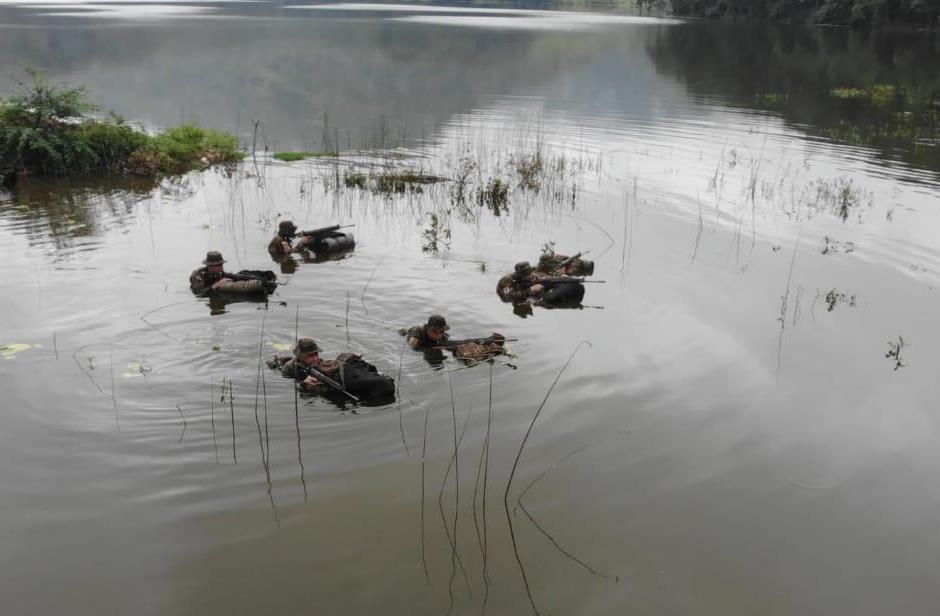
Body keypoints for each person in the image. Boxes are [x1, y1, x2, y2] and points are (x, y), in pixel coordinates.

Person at [268, 337, 359, 392]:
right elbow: (289, 384)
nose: (315, 358)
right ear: (301, 356)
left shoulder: (318, 361)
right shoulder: (289, 368)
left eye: (316, 354)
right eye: (310, 356)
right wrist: (302, 383)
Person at [189, 251, 272, 296]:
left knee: (243, 273)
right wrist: (216, 285)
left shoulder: (219, 273)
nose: (221, 266)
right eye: (218, 265)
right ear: (209, 266)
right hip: (206, 289)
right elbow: (198, 293)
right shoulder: (199, 276)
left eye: (221, 264)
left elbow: (231, 277)